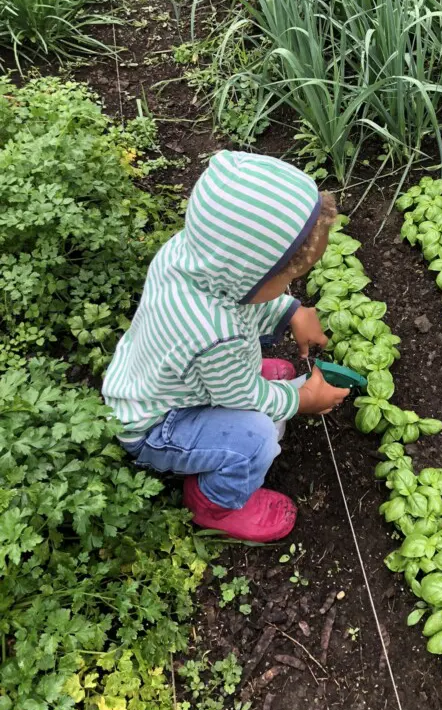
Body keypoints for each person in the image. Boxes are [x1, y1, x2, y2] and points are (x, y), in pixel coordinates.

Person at [102, 150, 350, 541]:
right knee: (257, 436)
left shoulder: (191, 259)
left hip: (153, 380)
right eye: (288, 279)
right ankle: (215, 503)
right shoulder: (216, 334)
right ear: (245, 274)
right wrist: (301, 399)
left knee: (249, 381)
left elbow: (246, 303)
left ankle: (234, 390)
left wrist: (291, 312)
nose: (289, 286)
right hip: (157, 426)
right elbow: (242, 396)